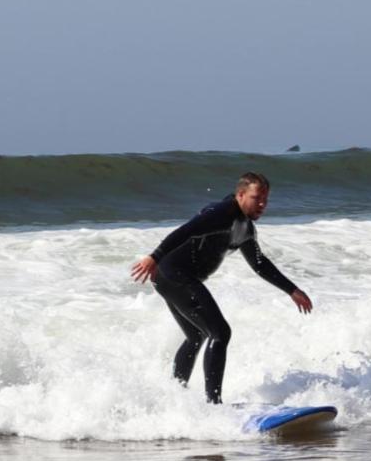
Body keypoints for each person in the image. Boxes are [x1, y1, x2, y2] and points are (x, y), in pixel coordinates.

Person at [130, 172, 312, 403]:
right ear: (241, 195)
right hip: (174, 274)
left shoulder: (244, 227)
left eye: (266, 199)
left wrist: (292, 290)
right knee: (220, 333)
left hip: (170, 277)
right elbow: (186, 230)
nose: (263, 204)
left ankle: (174, 398)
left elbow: (258, 263)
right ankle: (213, 403)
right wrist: (153, 257)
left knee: (196, 335)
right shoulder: (221, 213)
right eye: (257, 198)